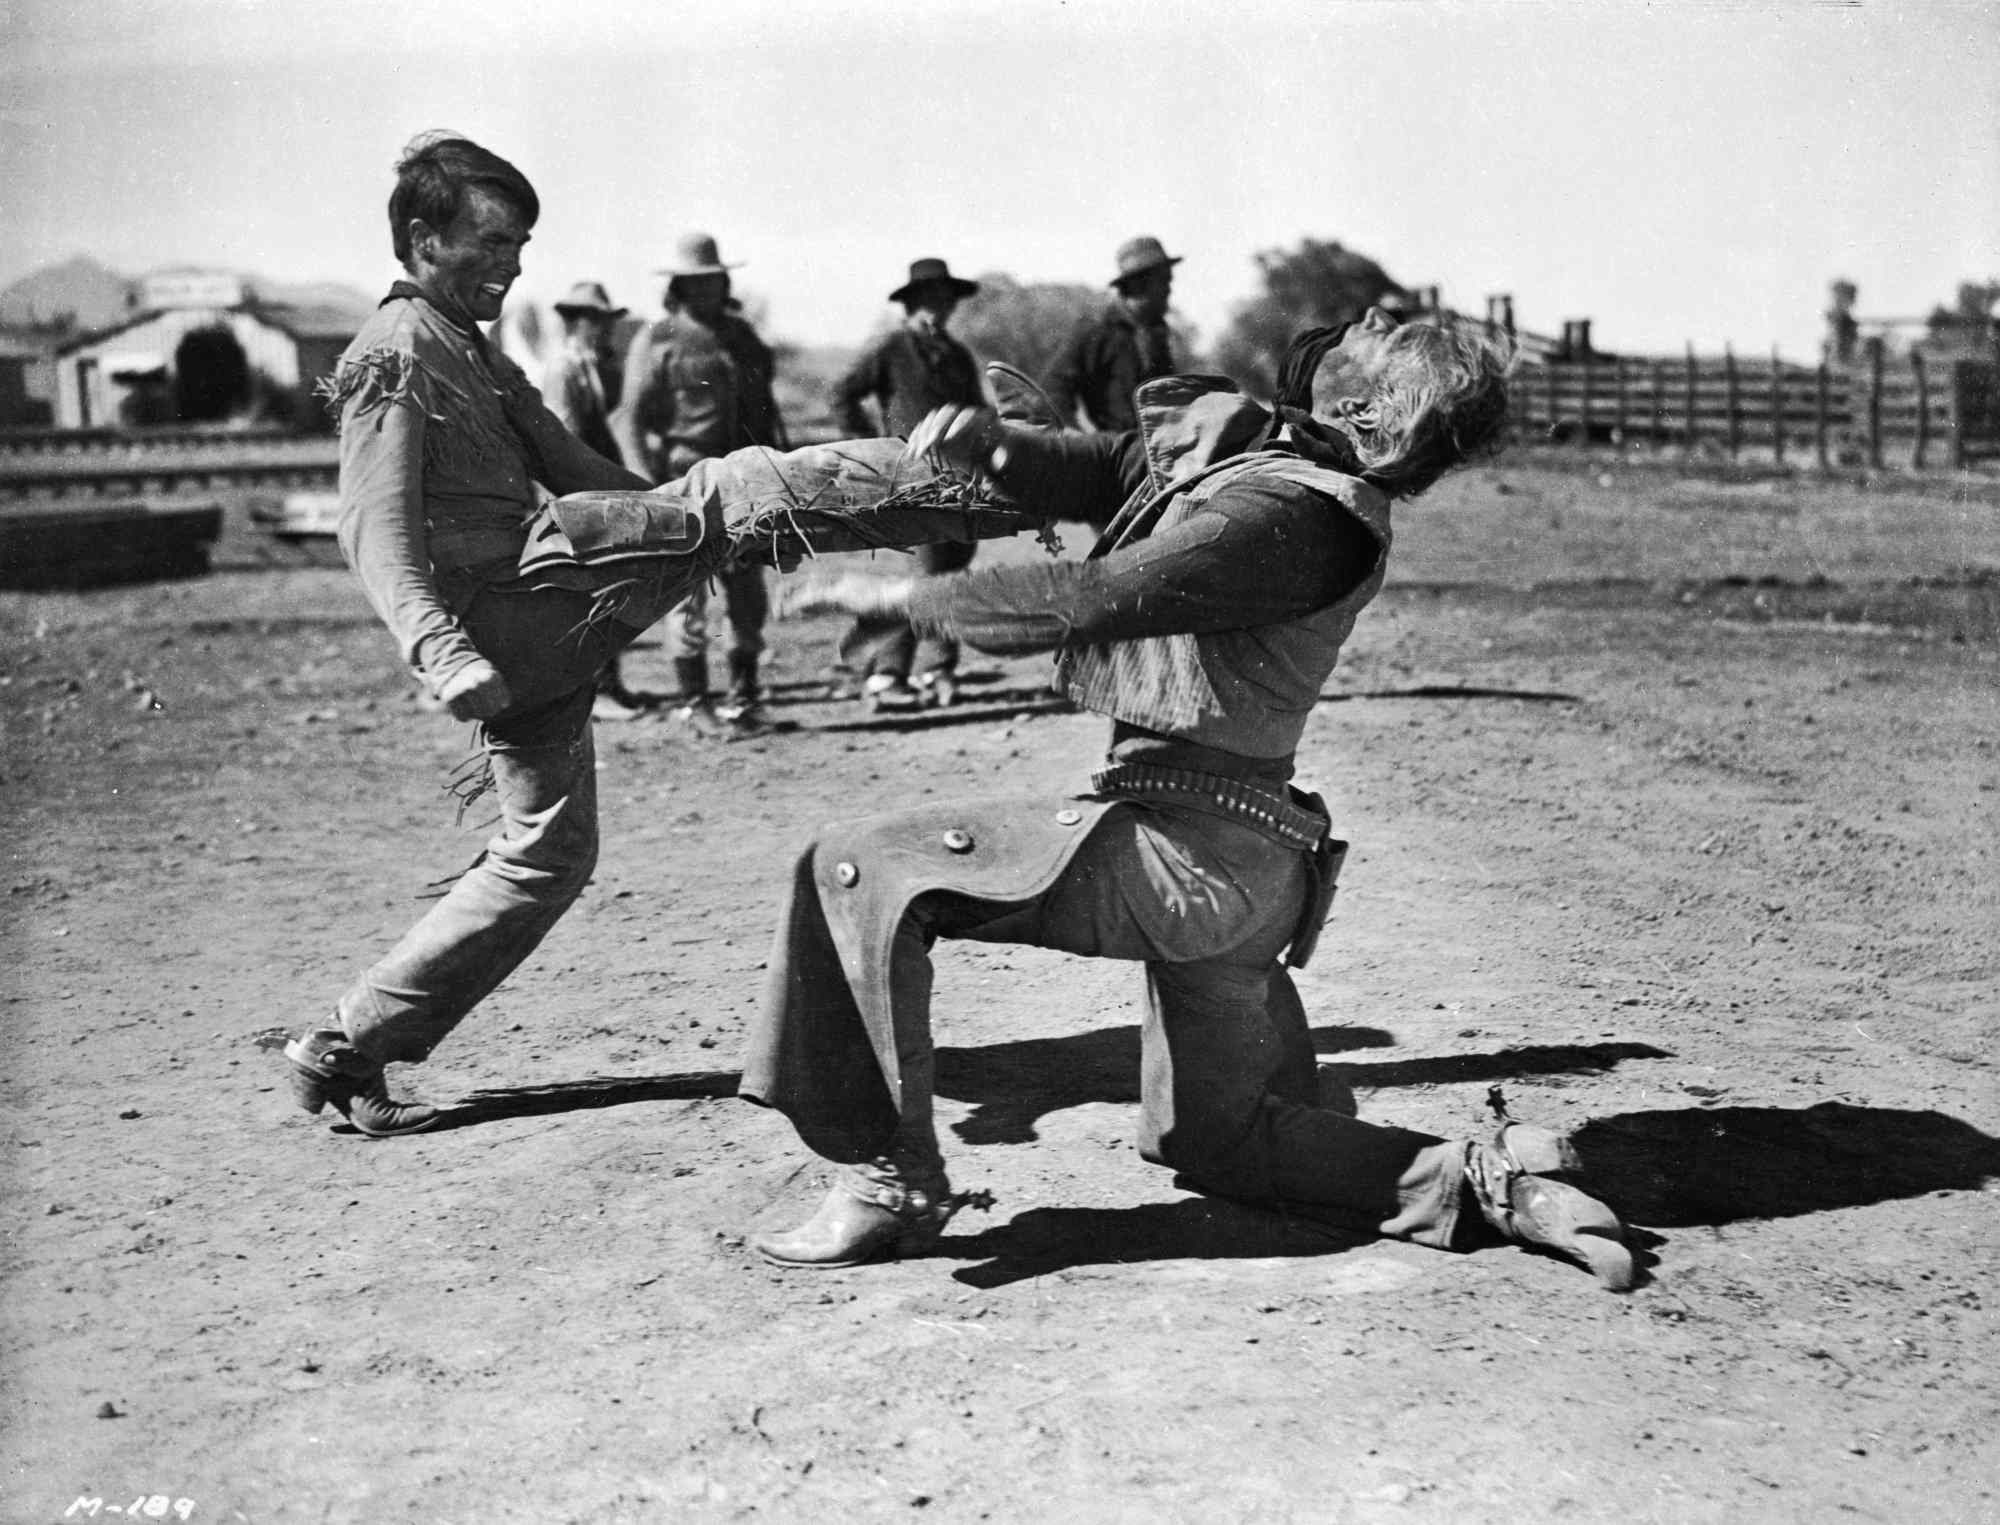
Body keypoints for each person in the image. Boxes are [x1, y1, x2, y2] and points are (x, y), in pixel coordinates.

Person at [742, 309, 1638, 1290]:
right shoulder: (1268, 455)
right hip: (1244, 865)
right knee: (1215, 1144)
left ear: (1374, 407)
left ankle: (886, 1182)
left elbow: (1100, 593)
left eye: (1385, 334)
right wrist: (998, 447)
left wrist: (905, 604)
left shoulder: (1298, 519)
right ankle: (1482, 1182)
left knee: (857, 865)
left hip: (1183, 861)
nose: (1365, 317)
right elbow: (1112, 468)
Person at [283, 133, 688, 1136]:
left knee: (550, 851)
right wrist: (441, 652)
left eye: (521, 245)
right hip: (498, 636)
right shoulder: (393, 353)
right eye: (492, 244)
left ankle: (352, 1043)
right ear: (423, 241)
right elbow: (371, 526)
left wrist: (703, 521)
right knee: (544, 853)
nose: (511, 267)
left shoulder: (467, 348)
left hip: (537, 620)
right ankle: (347, 1042)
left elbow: (567, 459)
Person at [611, 233, 787, 727]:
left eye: (713, 279)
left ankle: (745, 697)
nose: (706, 288)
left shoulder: (743, 337)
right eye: (695, 281)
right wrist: (646, 486)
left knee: (747, 597)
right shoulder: (658, 339)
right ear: (679, 286)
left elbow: (765, 412)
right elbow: (627, 418)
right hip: (685, 483)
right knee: (685, 597)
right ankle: (696, 704)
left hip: (750, 482)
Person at [831, 257, 988, 710]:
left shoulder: (956, 355)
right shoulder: (891, 349)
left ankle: (939, 670)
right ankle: (886, 674)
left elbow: (977, 411)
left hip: (960, 481)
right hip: (908, 480)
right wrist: (873, 449)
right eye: (928, 302)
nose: (938, 310)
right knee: (924, 577)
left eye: (945, 302)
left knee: (952, 574)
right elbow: (842, 393)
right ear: (911, 305)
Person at [540, 280, 654, 721]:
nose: (604, 329)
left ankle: (610, 685)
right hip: (578, 498)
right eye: (595, 321)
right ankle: (593, 692)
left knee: (614, 592)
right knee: (589, 598)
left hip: (602, 495)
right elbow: (561, 439)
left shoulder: (597, 366)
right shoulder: (564, 370)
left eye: (607, 321)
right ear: (574, 322)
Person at [1046, 235, 1181, 437]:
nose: (1169, 289)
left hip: (1154, 452)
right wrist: (1074, 435)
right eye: (1163, 281)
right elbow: (1054, 388)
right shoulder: (1095, 330)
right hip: (1113, 453)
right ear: (1138, 285)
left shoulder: (1157, 332)